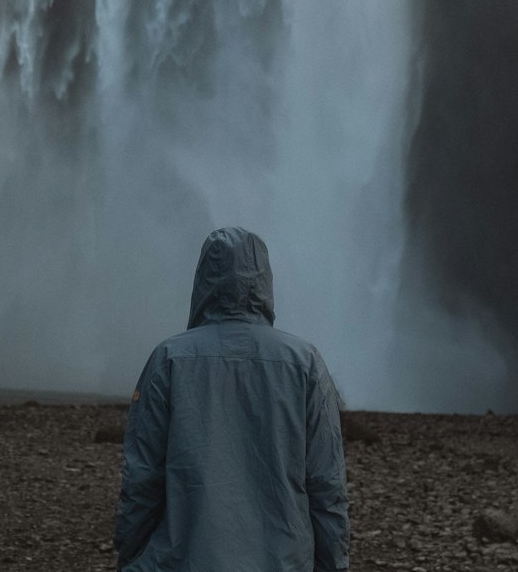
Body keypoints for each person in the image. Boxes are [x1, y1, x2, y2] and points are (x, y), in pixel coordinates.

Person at [114, 226, 350, 572]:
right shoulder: (305, 363)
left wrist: (129, 556)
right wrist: (334, 565)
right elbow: (327, 485)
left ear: (204, 280)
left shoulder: (169, 359)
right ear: (265, 282)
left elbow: (142, 480)